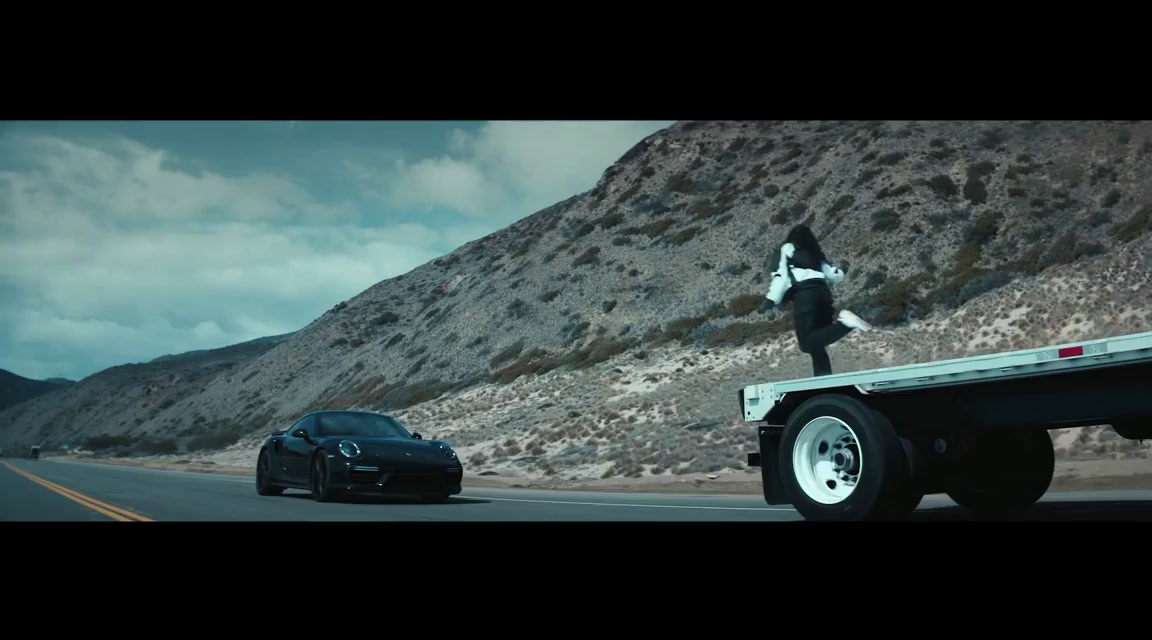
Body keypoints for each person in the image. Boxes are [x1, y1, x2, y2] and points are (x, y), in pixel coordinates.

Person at [760, 223, 872, 377]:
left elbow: (782, 276)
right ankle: (823, 376)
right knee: (817, 342)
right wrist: (842, 271)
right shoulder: (814, 252)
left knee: (807, 343)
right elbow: (833, 275)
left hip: (806, 297)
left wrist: (770, 299)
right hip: (823, 295)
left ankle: (845, 324)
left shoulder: (787, 248)